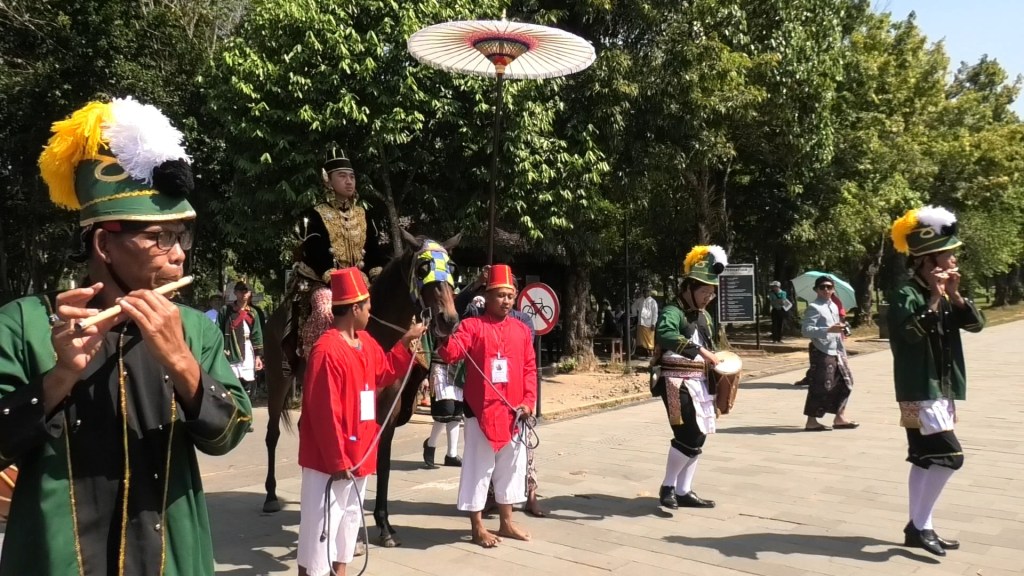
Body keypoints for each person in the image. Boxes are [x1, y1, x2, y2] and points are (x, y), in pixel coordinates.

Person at [0, 96, 252, 575]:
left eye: (183, 237)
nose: (178, 255)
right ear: (103, 244)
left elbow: (230, 435)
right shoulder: (24, 323)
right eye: (161, 237)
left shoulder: (194, 328)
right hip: (55, 560)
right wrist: (58, 378)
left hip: (168, 558)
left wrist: (182, 363)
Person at [297, 268, 425, 576]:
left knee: (348, 523)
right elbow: (324, 412)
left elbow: (383, 371)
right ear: (354, 308)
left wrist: (406, 343)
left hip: (361, 454)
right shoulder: (327, 351)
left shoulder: (365, 342)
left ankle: (339, 572)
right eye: (368, 306)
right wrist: (337, 458)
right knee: (320, 530)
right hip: (331, 461)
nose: (371, 312)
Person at [887, 206, 984, 557]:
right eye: (948, 255)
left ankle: (920, 527)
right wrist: (933, 299)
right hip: (919, 389)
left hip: (941, 389)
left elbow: (976, 325)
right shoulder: (905, 295)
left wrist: (955, 296)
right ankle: (919, 525)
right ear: (929, 261)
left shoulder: (945, 293)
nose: (954, 260)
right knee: (950, 456)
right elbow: (907, 337)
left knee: (925, 459)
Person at [435, 264, 537, 548]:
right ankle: (477, 526)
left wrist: (528, 402)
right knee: (478, 470)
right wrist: (445, 333)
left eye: (509, 295)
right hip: (480, 412)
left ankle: (506, 522)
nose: (505, 301)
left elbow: (529, 368)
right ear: (487, 296)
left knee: (511, 468)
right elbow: (451, 352)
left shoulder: (520, 330)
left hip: (514, 412)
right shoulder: (472, 326)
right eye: (499, 295)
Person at [292, 149, 388, 358]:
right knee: (325, 312)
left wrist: (378, 278)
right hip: (325, 282)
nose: (349, 182)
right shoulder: (314, 215)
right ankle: (318, 362)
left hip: (362, 283)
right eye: (342, 176)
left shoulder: (364, 214)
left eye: (352, 177)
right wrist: (338, 281)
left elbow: (374, 253)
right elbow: (317, 255)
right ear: (328, 181)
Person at [651, 245, 727, 510]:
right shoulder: (673, 311)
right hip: (676, 381)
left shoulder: (704, 317)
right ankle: (668, 486)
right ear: (688, 289)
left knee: (700, 434)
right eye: (704, 292)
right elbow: (665, 334)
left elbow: (713, 348)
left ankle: (684, 490)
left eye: (711, 293)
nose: (708, 297)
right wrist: (700, 351)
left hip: (701, 381)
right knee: (688, 432)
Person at [801, 275, 859, 431]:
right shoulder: (814, 307)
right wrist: (827, 330)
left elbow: (837, 325)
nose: (826, 290)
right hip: (822, 351)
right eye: (822, 287)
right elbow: (806, 330)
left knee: (846, 383)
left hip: (838, 350)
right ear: (816, 290)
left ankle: (840, 417)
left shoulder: (833, 305)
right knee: (821, 386)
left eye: (829, 287)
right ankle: (811, 421)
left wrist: (843, 327)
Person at [221, 281, 264, 399]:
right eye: (241, 291)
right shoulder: (226, 310)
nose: (244, 294)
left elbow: (257, 334)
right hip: (230, 348)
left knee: (246, 384)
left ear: (250, 294)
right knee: (231, 383)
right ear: (235, 293)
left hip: (247, 348)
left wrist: (258, 356)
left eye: (246, 291)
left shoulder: (253, 312)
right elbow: (218, 331)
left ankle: (244, 409)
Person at [633, 288, 659, 357]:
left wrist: (653, 323)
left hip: (649, 323)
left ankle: (651, 353)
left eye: (647, 292)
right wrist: (635, 315)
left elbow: (655, 313)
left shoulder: (653, 301)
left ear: (650, 292)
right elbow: (633, 307)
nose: (646, 293)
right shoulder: (639, 300)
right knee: (640, 341)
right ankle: (642, 353)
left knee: (650, 340)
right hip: (641, 322)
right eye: (644, 291)